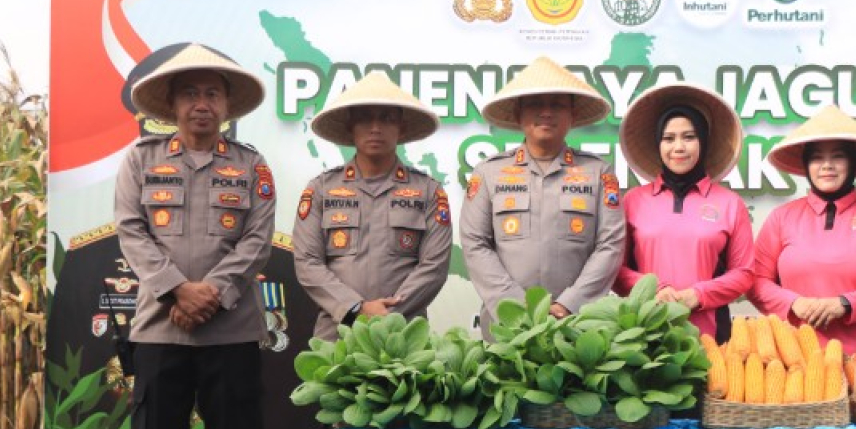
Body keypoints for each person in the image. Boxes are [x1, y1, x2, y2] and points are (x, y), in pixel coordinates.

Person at [113, 43, 275, 429]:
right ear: (173, 104)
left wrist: (213, 293)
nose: (201, 104)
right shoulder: (141, 159)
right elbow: (131, 229)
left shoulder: (251, 165)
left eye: (211, 93)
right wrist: (176, 289)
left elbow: (257, 240)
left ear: (227, 105)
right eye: (190, 93)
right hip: (160, 330)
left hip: (230, 332)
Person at [460, 56, 625, 339]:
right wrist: (517, 306)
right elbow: (475, 243)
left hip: (578, 326)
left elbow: (610, 244)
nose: (546, 112)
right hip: (506, 326)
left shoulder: (598, 172)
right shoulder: (489, 172)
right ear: (518, 114)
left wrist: (570, 304)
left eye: (558, 105)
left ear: (572, 115)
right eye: (535, 104)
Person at [293, 71, 450, 340]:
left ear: (401, 127)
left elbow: (434, 267)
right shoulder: (321, 189)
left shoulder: (429, 191)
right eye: (365, 118)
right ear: (350, 126)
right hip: (336, 333)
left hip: (403, 336)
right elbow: (308, 263)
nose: (375, 127)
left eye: (387, 118)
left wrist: (386, 315)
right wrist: (356, 309)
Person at [752, 105, 856, 354]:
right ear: (806, 165)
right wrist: (794, 303)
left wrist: (846, 304)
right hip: (791, 357)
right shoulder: (781, 218)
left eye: (838, 157)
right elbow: (755, 281)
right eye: (817, 157)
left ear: (853, 164)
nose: (827, 165)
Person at [613, 82, 753, 342]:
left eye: (689, 137)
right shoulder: (633, 200)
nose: (678, 147)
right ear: (658, 144)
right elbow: (615, 270)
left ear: (704, 142)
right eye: (668, 138)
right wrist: (652, 290)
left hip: (709, 338)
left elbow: (744, 274)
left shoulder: (730, 204)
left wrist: (698, 295)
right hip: (643, 337)